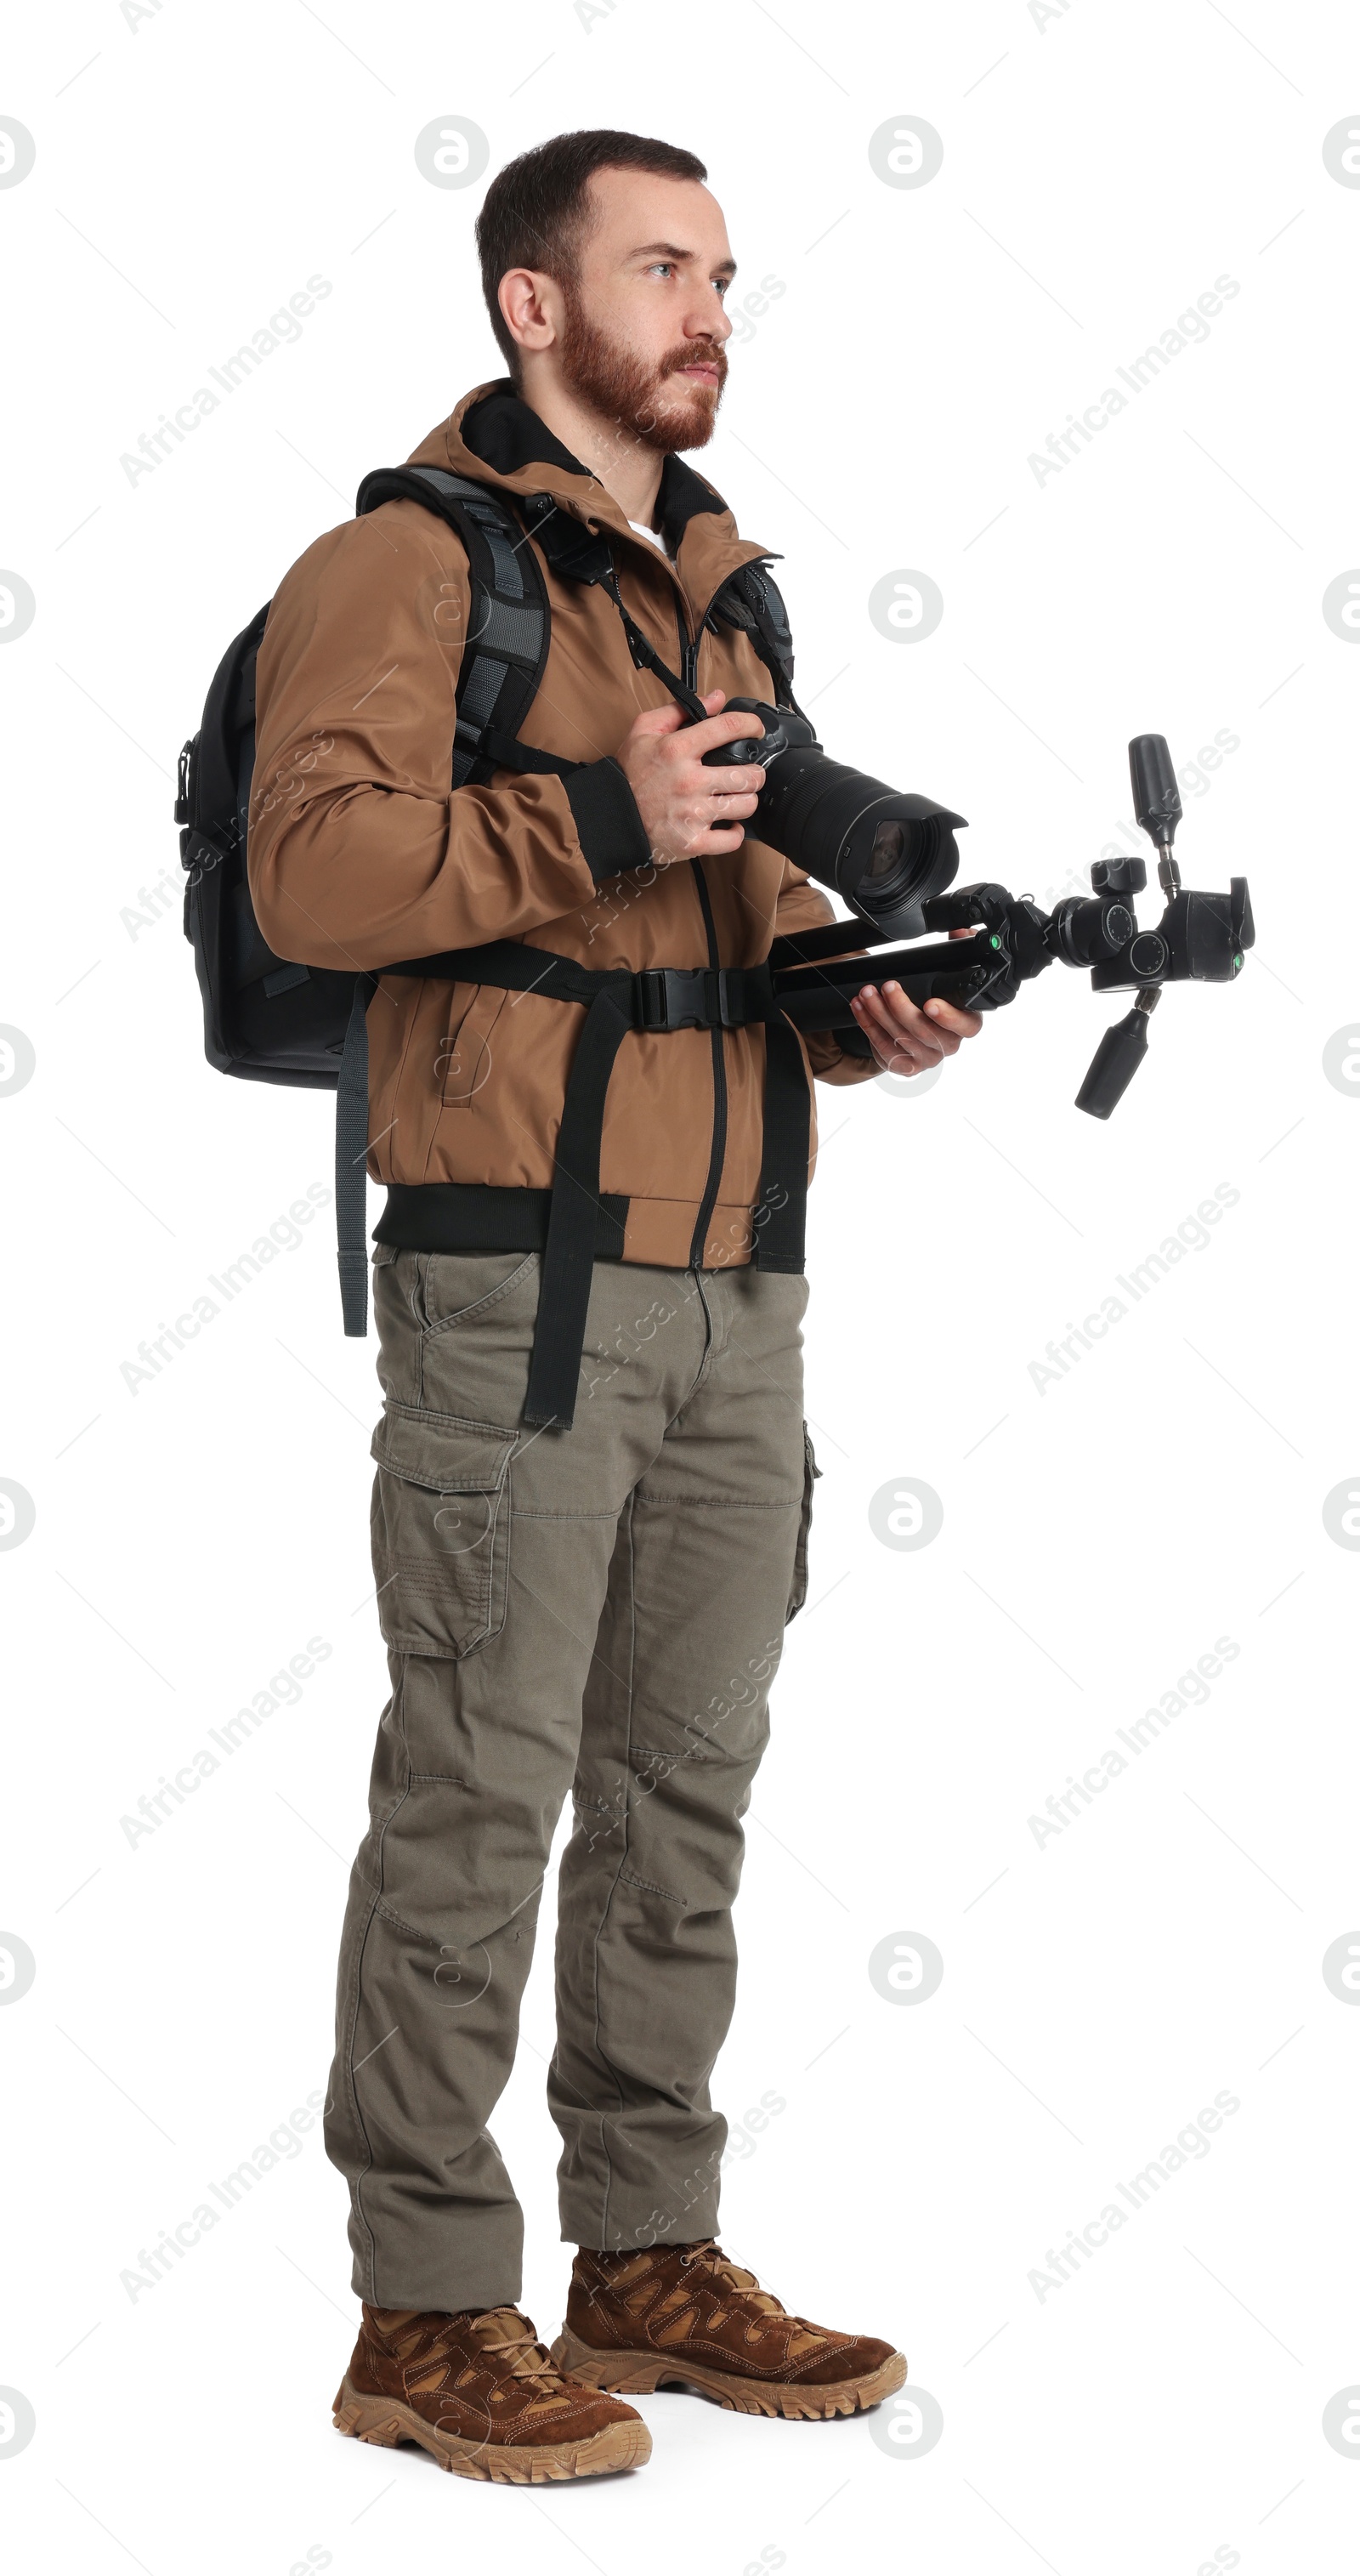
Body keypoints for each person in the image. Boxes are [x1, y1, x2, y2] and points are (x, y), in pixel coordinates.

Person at [248, 126, 983, 2485]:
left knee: (686, 1796)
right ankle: (428, 2305)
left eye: (727, 271)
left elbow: (717, 916)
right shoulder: (400, 564)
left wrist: (850, 995)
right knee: (479, 1795)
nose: (709, 307)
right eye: (659, 266)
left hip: (738, 1294)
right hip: (517, 1294)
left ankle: (644, 2252)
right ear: (531, 307)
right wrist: (592, 819)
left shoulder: (719, 598)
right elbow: (318, 870)